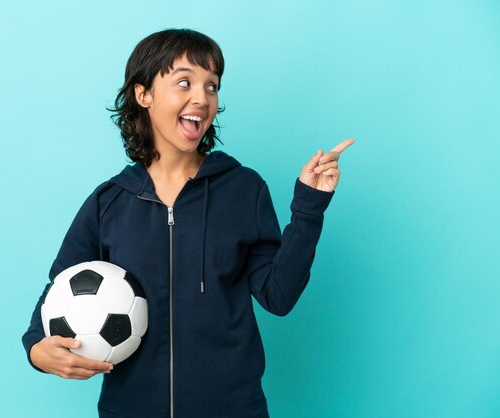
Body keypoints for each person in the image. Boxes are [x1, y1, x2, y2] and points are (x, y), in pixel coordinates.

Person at [22, 28, 354, 418]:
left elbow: (278, 296)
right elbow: (61, 287)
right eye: (185, 82)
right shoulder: (108, 202)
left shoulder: (243, 189)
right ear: (143, 95)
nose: (202, 97)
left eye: (212, 86)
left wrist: (309, 208)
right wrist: (36, 348)